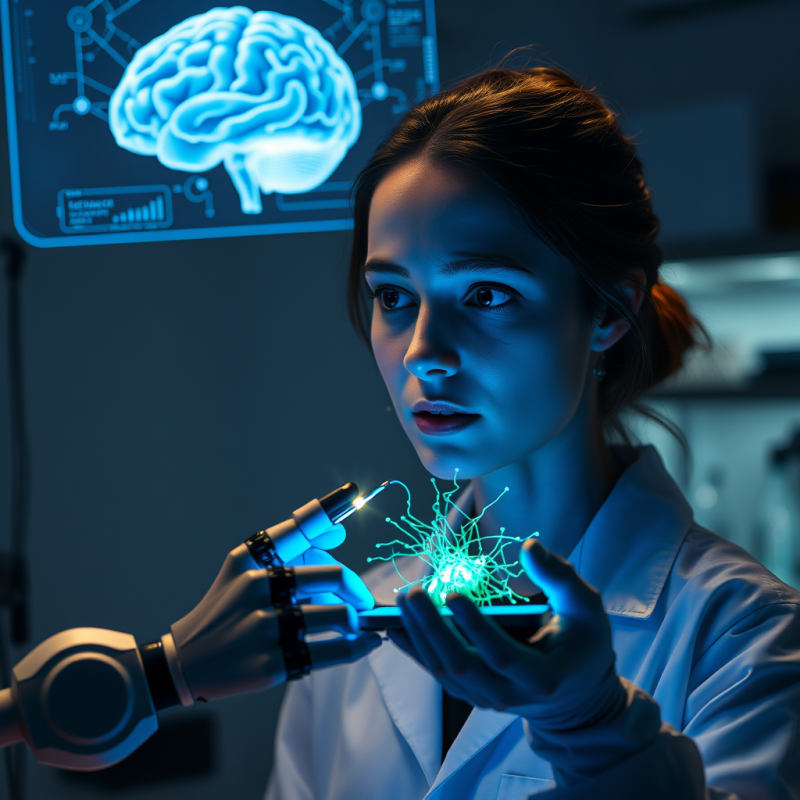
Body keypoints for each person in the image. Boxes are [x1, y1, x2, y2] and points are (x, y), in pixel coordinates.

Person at [265, 65, 800, 799]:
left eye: (486, 293)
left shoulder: (744, 635)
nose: (423, 351)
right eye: (393, 296)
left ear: (609, 310)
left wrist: (595, 727)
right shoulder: (358, 623)